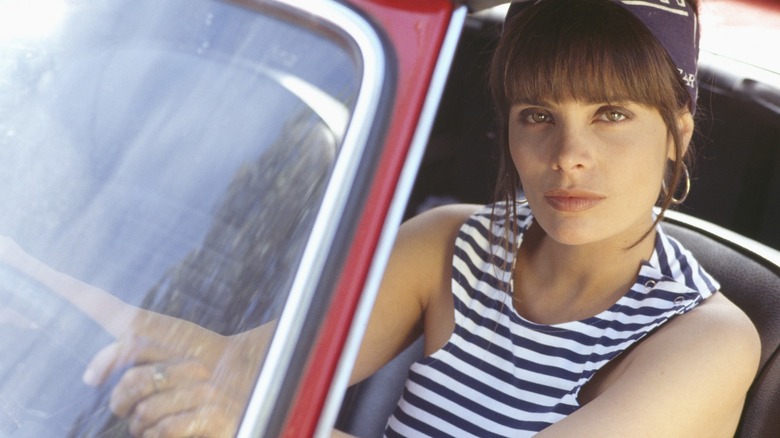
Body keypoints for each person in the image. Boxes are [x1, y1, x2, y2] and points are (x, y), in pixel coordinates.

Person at [77, 0, 760, 436]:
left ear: (675, 131)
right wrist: (51, 302)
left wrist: (264, 421)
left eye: (612, 115)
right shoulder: (452, 242)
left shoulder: (708, 339)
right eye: (538, 117)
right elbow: (251, 366)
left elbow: (256, 403)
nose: (569, 156)